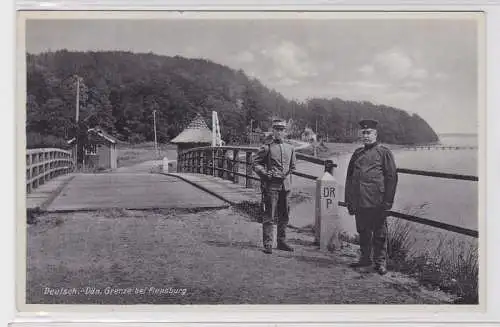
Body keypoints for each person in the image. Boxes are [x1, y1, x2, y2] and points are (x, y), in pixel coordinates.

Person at [345, 119, 398, 275]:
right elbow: (349, 178)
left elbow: (392, 178)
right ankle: (365, 258)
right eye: (364, 133)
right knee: (363, 231)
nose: (366, 136)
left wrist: (387, 202)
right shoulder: (357, 154)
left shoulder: (384, 153)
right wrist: (349, 200)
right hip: (360, 200)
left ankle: (380, 262)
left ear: (376, 134)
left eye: (369, 133)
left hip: (377, 201)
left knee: (380, 233)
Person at [253, 118, 297, 254]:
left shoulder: (291, 148)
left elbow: (293, 167)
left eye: (282, 130)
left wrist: (286, 174)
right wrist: (265, 173)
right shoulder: (267, 147)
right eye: (277, 129)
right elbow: (255, 163)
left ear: (285, 132)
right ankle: (268, 243)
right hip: (271, 186)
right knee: (269, 215)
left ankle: (282, 241)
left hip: (286, 187)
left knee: (284, 215)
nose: (279, 132)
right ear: (273, 131)